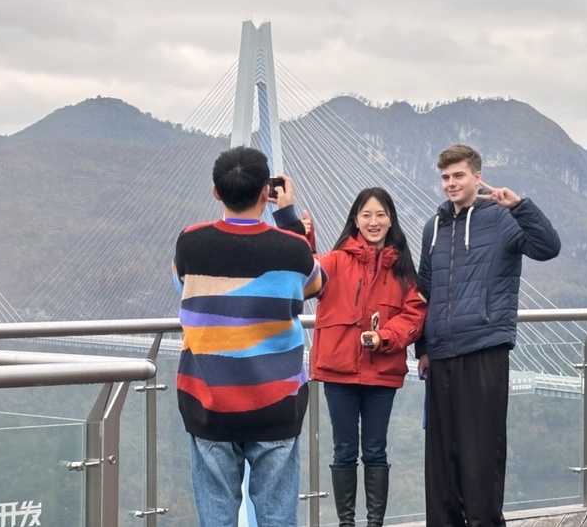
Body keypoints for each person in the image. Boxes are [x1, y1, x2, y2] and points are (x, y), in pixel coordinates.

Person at [171, 145, 326, 527]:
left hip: (209, 404)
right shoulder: (293, 248)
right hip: (277, 404)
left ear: (216, 191)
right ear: (265, 192)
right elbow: (316, 284)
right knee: (277, 518)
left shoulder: (190, 242)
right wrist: (288, 219)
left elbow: (181, 285)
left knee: (217, 519)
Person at [416, 143, 561, 526]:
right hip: (441, 353)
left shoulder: (502, 219)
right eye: (445, 177)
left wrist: (520, 207)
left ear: (477, 177)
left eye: (458, 175)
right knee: (442, 458)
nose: (451, 183)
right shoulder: (434, 226)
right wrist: (423, 347)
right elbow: (425, 291)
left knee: (481, 453)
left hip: (484, 348)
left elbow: (548, 247)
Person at [274, 187, 427, 527]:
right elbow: (305, 277)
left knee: (375, 450)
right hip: (339, 371)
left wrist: (384, 337)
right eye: (366, 215)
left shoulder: (402, 269)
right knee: (343, 449)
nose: (374, 222)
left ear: (391, 220)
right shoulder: (335, 261)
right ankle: (347, 524)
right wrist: (298, 231)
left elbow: (414, 314)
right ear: (355, 220)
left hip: (381, 372)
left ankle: (374, 524)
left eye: (380, 215)